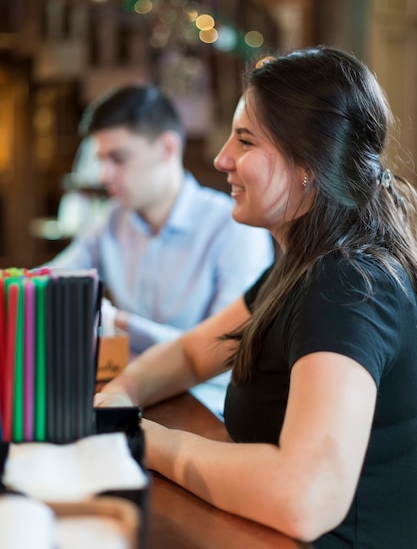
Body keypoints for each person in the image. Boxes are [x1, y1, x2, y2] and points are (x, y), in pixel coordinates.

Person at [95, 46, 417, 547]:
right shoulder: (301, 265)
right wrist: (120, 395)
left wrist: (140, 436)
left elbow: (305, 497)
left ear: (310, 164)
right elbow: (189, 351)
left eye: (245, 141)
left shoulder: (348, 285)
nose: (222, 158)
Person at [48, 84, 274, 418]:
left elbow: (226, 351)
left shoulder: (234, 228)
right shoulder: (113, 220)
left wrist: (119, 323)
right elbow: (50, 279)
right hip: (128, 390)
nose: (104, 175)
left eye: (118, 158)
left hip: (207, 408)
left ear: (167, 147)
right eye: (101, 160)